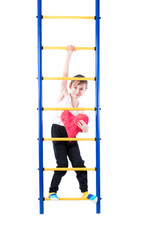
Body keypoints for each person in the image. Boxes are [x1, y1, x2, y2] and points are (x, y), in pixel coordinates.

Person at [48, 45, 97, 203]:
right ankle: (52, 191)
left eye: (81, 88)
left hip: (71, 135)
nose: (77, 90)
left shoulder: (82, 108)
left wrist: (86, 129)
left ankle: (85, 191)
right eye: (75, 87)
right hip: (58, 131)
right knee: (62, 164)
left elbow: (81, 128)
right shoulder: (64, 96)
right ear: (70, 87)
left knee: (79, 164)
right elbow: (64, 75)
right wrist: (68, 55)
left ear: (85, 90)